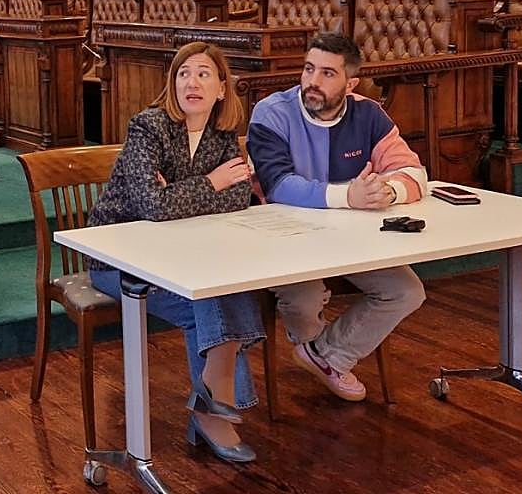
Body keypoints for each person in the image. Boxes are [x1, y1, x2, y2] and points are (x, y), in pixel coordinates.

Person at [88, 42, 262, 464]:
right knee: (202, 300)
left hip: (184, 253)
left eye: (204, 73)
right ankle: (217, 413)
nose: (192, 82)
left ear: (222, 88)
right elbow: (152, 206)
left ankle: (211, 406)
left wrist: (182, 193)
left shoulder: (222, 136)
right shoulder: (148, 128)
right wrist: (211, 184)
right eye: (184, 73)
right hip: (117, 257)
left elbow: (240, 197)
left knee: (231, 285)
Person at [246, 32, 427, 402]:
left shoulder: (368, 114)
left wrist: (387, 192)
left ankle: (325, 356)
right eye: (309, 69)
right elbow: (278, 186)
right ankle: (324, 358)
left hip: (350, 238)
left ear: (351, 82)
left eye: (328, 73)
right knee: (305, 297)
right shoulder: (272, 112)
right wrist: (350, 195)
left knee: (406, 291)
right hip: (284, 238)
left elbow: (413, 171)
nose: (313, 81)